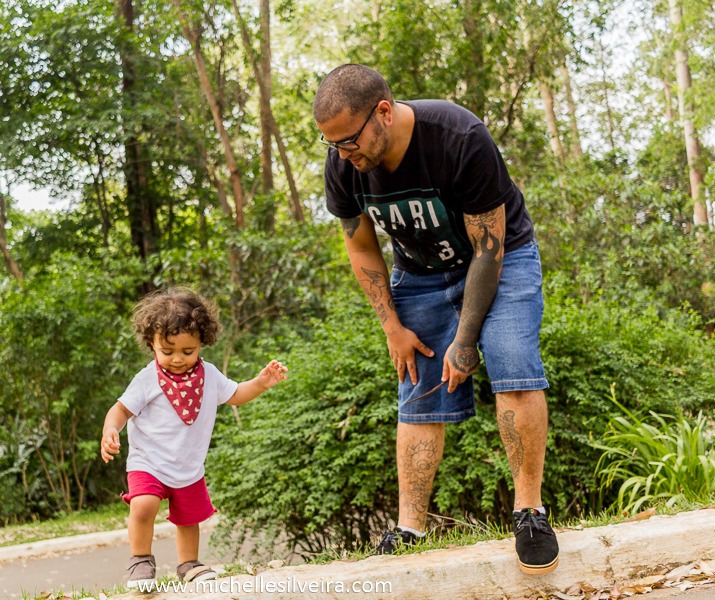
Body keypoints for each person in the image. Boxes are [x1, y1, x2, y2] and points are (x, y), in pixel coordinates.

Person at [313, 64, 558, 575]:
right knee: (418, 390)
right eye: (331, 144)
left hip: (500, 258)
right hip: (420, 272)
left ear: (383, 112)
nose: (342, 154)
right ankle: (408, 528)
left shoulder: (458, 136)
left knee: (512, 361)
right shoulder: (344, 163)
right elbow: (360, 244)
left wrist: (466, 340)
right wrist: (392, 327)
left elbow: (488, 249)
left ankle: (530, 513)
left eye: (349, 141)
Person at [100, 287, 288, 589]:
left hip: (187, 465)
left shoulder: (210, 375)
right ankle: (141, 561)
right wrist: (111, 429)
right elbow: (120, 409)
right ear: (152, 344)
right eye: (168, 351)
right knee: (144, 505)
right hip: (147, 461)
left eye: (188, 351)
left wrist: (262, 382)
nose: (177, 359)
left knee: (189, 518)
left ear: (203, 342)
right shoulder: (148, 378)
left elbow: (237, 394)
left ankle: (188, 564)